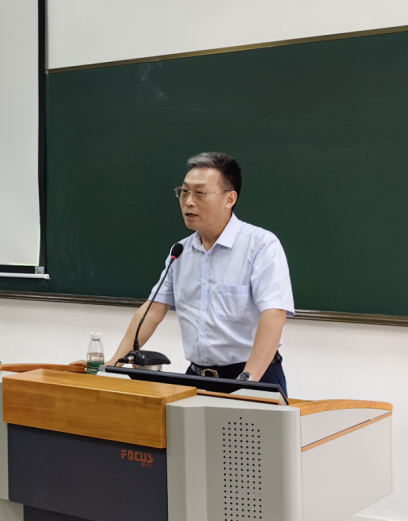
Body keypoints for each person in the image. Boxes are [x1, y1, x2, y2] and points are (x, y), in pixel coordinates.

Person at [107, 152, 293, 396]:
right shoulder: (180, 251)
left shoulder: (260, 245)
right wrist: (115, 363)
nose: (188, 202)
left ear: (229, 199)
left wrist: (248, 380)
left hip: (253, 376)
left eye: (200, 193)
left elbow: (274, 314)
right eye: (184, 192)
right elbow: (152, 310)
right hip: (196, 377)